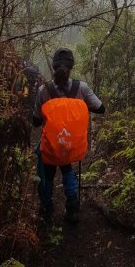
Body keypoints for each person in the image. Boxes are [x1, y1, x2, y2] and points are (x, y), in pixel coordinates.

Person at [33, 48, 105, 223]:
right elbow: (101, 109)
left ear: (53, 67)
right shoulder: (81, 88)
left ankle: (46, 209)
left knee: (46, 175)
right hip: (71, 146)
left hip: (51, 145)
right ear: (72, 66)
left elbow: (35, 121)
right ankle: (72, 209)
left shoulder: (44, 90)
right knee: (67, 171)